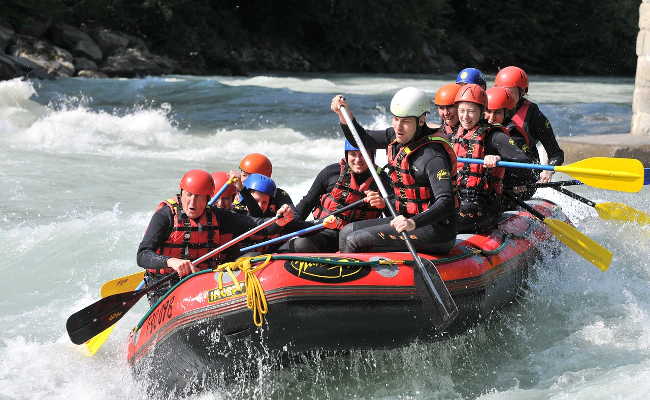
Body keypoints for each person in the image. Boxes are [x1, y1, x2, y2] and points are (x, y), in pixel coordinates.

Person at [331, 87, 459, 254]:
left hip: (436, 231)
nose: (399, 127)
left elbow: (446, 202)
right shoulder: (396, 137)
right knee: (347, 231)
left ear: (420, 121)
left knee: (355, 240)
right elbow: (361, 139)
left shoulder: (433, 156)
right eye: (396, 119)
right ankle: (347, 273)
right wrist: (344, 114)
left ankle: (360, 277)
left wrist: (413, 223)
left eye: (405, 121)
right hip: (406, 220)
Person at [136, 169, 294, 304]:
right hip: (165, 286)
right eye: (189, 195)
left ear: (207, 199)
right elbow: (142, 255)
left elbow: (257, 226)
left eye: (198, 197)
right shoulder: (165, 216)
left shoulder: (219, 216)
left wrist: (279, 222)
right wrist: (171, 262)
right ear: (181, 193)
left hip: (203, 283)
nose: (192, 202)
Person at [281, 140, 388, 252]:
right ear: (346, 155)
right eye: (353, 154)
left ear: (372, 155)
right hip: (326, 233)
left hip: (359, 238)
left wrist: (384, 204)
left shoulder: (382, 180)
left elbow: (394, 217)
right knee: (301, 244)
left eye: (363, 154)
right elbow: (306, 204)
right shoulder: (331, 173)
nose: (358, 160)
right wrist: (292, 224)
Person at [450, 84, 531, 233]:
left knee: (444, 223)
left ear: (481, 112)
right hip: (458, 199)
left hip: (484, 205)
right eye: (461, 111)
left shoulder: (495, 136)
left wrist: (498, 159)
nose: (465, 116)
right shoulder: (456, 135)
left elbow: (525, 164)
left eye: (471, 111)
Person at [494, 66, 564, 183]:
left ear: (522, 92)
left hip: (524, 177)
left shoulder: (534, 115)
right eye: (502, 92)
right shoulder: (488, 110)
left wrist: (548, 171)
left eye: (509, 92)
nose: (505, 97)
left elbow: (556, 154)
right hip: (496, 170)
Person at [484, 87, 537, 202]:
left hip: (516, 186)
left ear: (506, 113)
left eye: (497, 112)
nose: (491, 118)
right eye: (488, 111)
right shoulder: (478, 130)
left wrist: (498, 158)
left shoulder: (514, 135)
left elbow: (526, 168)